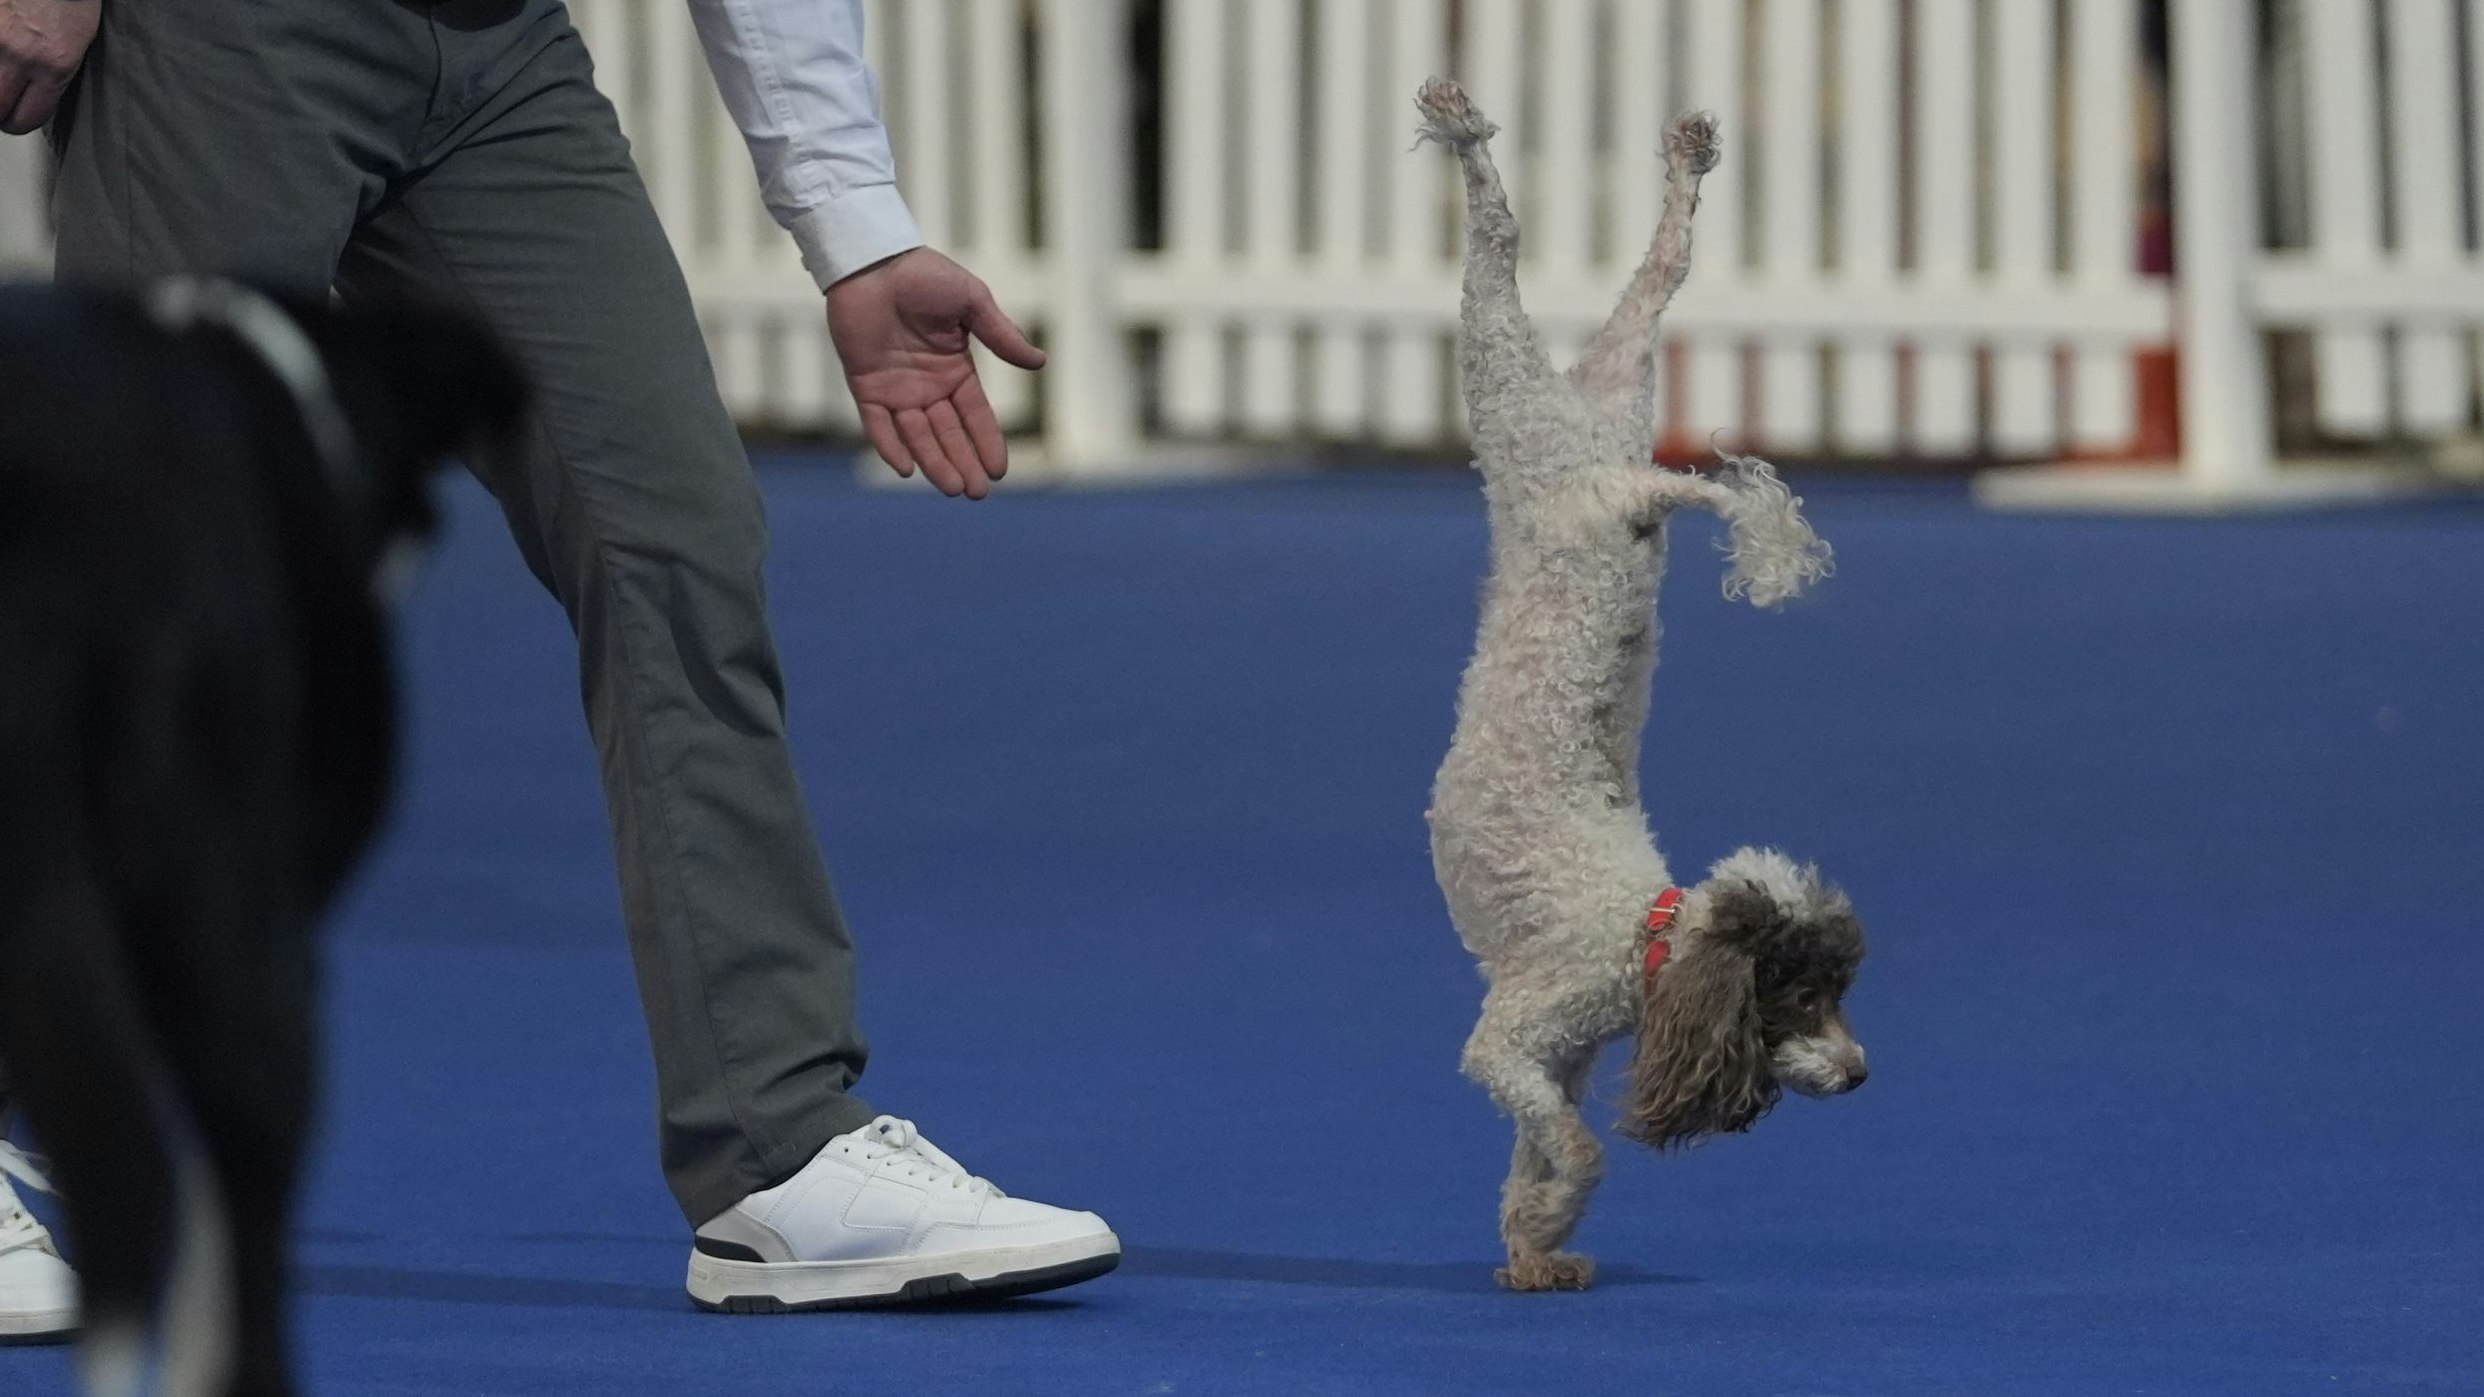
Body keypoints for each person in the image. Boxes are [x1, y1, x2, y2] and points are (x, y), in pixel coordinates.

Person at [0, 0, 1117, 1323]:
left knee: (677, 537)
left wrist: (857, 227)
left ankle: (776, 1141)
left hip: (500, 58)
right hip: (223, 35)